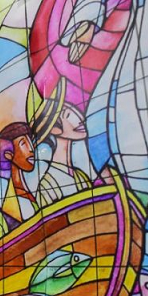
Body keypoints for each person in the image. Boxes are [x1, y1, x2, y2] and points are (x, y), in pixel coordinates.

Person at [30, 78, 92, 207]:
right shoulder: (47, 186)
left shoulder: (81, 177)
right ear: (54, 128)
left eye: (75, 110)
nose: (80, 119)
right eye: (68, 114)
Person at [0, 122, 37, 229]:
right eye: (23, 144)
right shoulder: (8, 203)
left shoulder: (28, 191)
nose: (31, 149)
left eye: (31, 143)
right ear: (9, 155)